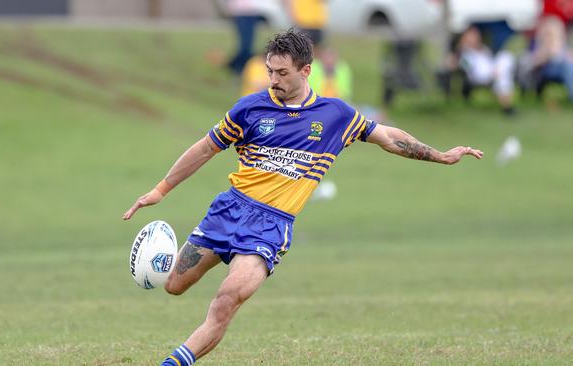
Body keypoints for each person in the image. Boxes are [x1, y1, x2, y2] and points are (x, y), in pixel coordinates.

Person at [122, 29, 484, 366]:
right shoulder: (249, 109)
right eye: (270, 72)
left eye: (282, 73)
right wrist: (159, 190)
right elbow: (204, 149)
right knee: (174, 286)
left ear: (305, 70)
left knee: (227, 299)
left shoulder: (334, 116)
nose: (274, 81)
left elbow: (389, 137)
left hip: (269, 227)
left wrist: (440, 155)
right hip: (228, 210)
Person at [456, 25, 517, 115]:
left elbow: (490, 60)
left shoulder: (484, 48)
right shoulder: (464, 53)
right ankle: (507, 107)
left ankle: (507, 106)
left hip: (492, 70)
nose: (474, 38)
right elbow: (467, 68)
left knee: (505, 56)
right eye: (471, 36)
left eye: (475, 35)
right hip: (479, 75)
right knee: (502, 76)